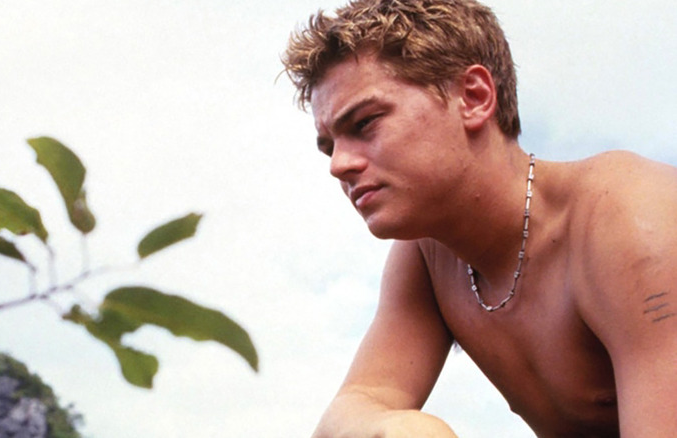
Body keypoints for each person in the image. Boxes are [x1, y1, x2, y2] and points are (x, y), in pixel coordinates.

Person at [281, 0, 677, 436]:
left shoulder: (630, 218)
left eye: (365, 123)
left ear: (473, 98)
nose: (338, 165)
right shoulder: (429, 256)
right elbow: (351, 410)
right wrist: (395, 429)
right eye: (329, 146)